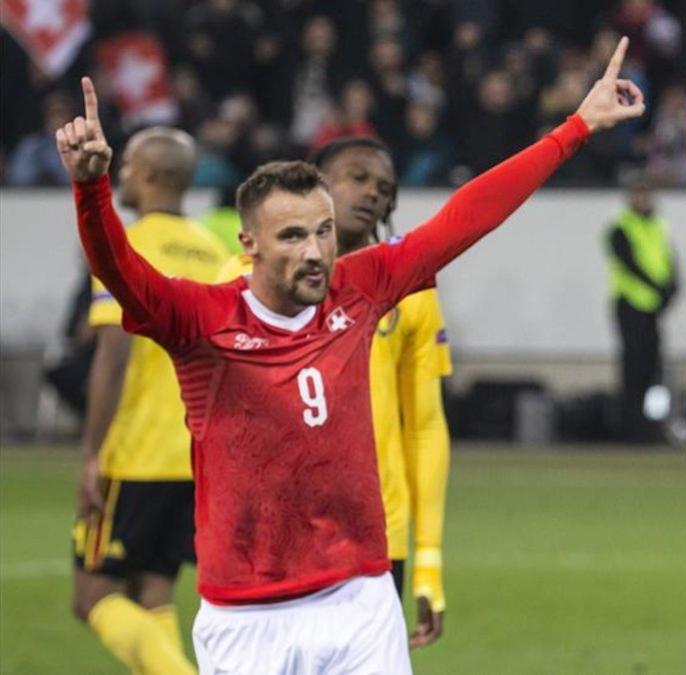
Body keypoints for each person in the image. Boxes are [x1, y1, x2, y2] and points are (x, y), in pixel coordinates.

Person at [57, 37, 642, 674]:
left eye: (322, 231)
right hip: (246, 615)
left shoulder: (360, 289)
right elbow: (120, 272)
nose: (314, 251)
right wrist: (92, 191)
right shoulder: (203, 319)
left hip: (360, 598)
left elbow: (466, 217)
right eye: (292, 236)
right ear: (249, 243)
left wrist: (577, 128)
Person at [216, 135, 454, 648]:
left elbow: (426, 425)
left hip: (372, 539)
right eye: (357, 177)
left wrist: (429, 558)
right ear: (317, 186)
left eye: (385, 188)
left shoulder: (408, 288)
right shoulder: (244, 282)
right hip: (269, 539)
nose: (373, 193)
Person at [70, 127, 226, 675]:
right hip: (194, 457)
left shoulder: (125, 243)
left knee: (91, 597)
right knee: (153, 596)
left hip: (133, 452)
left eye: (129, 166)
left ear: (153, 175)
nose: (124, 176)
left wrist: (92, 455)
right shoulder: (217, 253)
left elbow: (113, 358)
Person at [606, 178, 678, 440]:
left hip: (652, 309)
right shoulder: (620, 228)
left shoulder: (659, 226)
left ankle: (653, 425)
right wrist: (659, 288)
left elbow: (669, 261)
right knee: (633, 367)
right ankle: (631, 425)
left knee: (654, 368)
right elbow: (629, 264)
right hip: (630, 305)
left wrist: (670, 290)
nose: (643, 200)